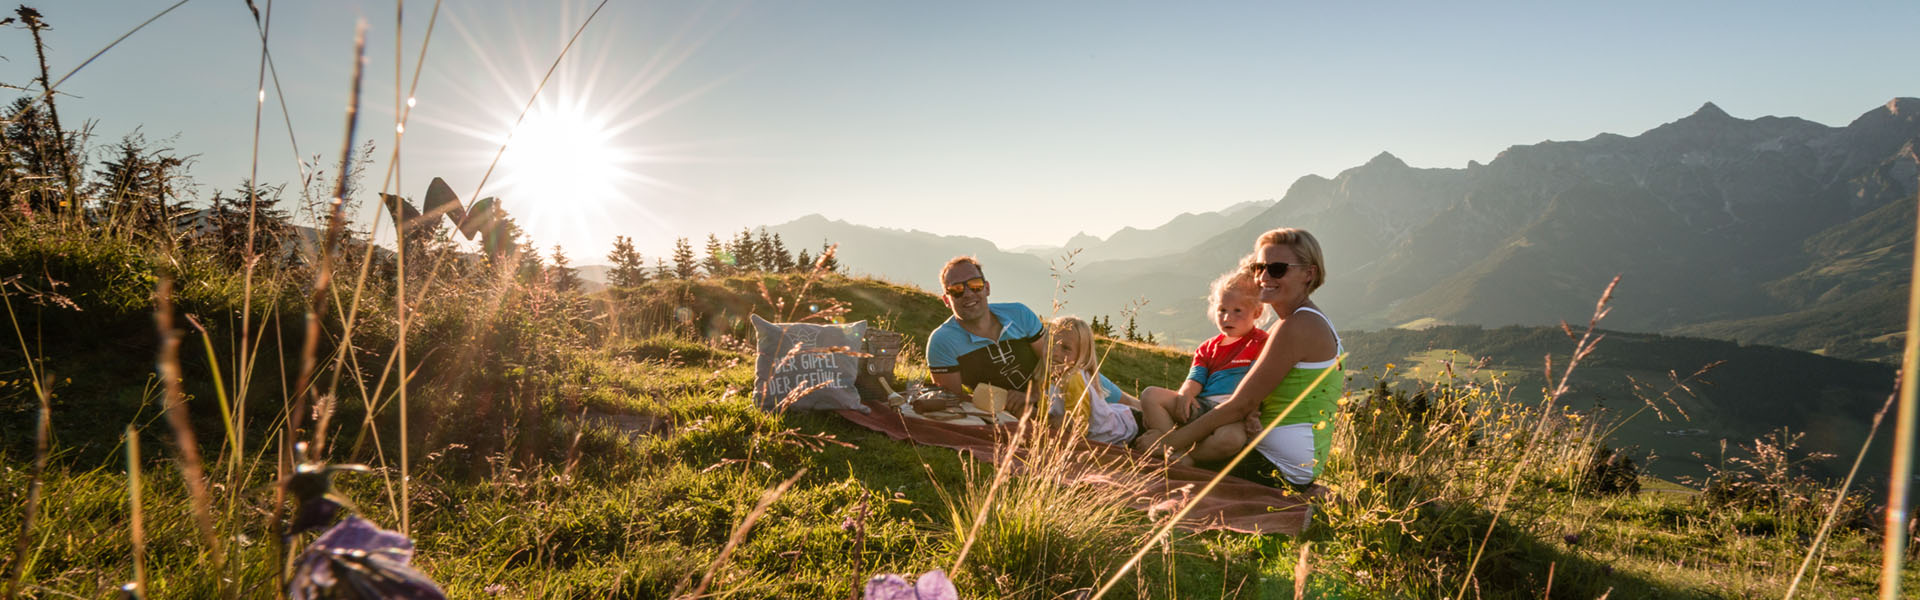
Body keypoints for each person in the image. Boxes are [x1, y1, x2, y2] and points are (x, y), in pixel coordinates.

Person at [1143, 228, 1343, 491]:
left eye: (1278, 269)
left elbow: (1240, 404)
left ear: (1309, 274)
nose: (1263, 277)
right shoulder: (1300, 320)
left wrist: (1168, 443)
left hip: (1276, 465)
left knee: (1145, 436)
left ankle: (1181, 459)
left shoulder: (1297, 325)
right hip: (1282, 457)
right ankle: (1180, 454)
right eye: (1259, 267)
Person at [1133, 267, 1267, 463]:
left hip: (1234, 414)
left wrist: (1253, 413)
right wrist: (1185, 395)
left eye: (1237, 311)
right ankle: (1172, 445)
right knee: (1150, 395)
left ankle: (1187, 457)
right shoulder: (1208, 347)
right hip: (1202, 407)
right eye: (1222, 310)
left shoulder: (1260, 342)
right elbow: (1195, 378)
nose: (1227, 318)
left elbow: (1259, 383)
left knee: (1231, 440)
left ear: (1257, 311)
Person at [925, 256, 1048, 414]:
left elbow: (1055, 364)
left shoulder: (1020, 314)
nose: (968, 294)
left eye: (975, 285)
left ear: (987, 288)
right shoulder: (942, 341)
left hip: (1050, 401)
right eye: (956, 289)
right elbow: (953, 402)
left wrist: (1035, 394)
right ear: (946, 300)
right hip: (995, 416)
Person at [1043, 316, 1143, 446]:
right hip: (1113, 418)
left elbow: (1078, 427)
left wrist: (1055, 422)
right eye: (1051, 344)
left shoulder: (1074, 379)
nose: (1054, 352)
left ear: (1082, 356)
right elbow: (1045, 416)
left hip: (1127, 430)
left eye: (1066, 348)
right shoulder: (1046, 377)